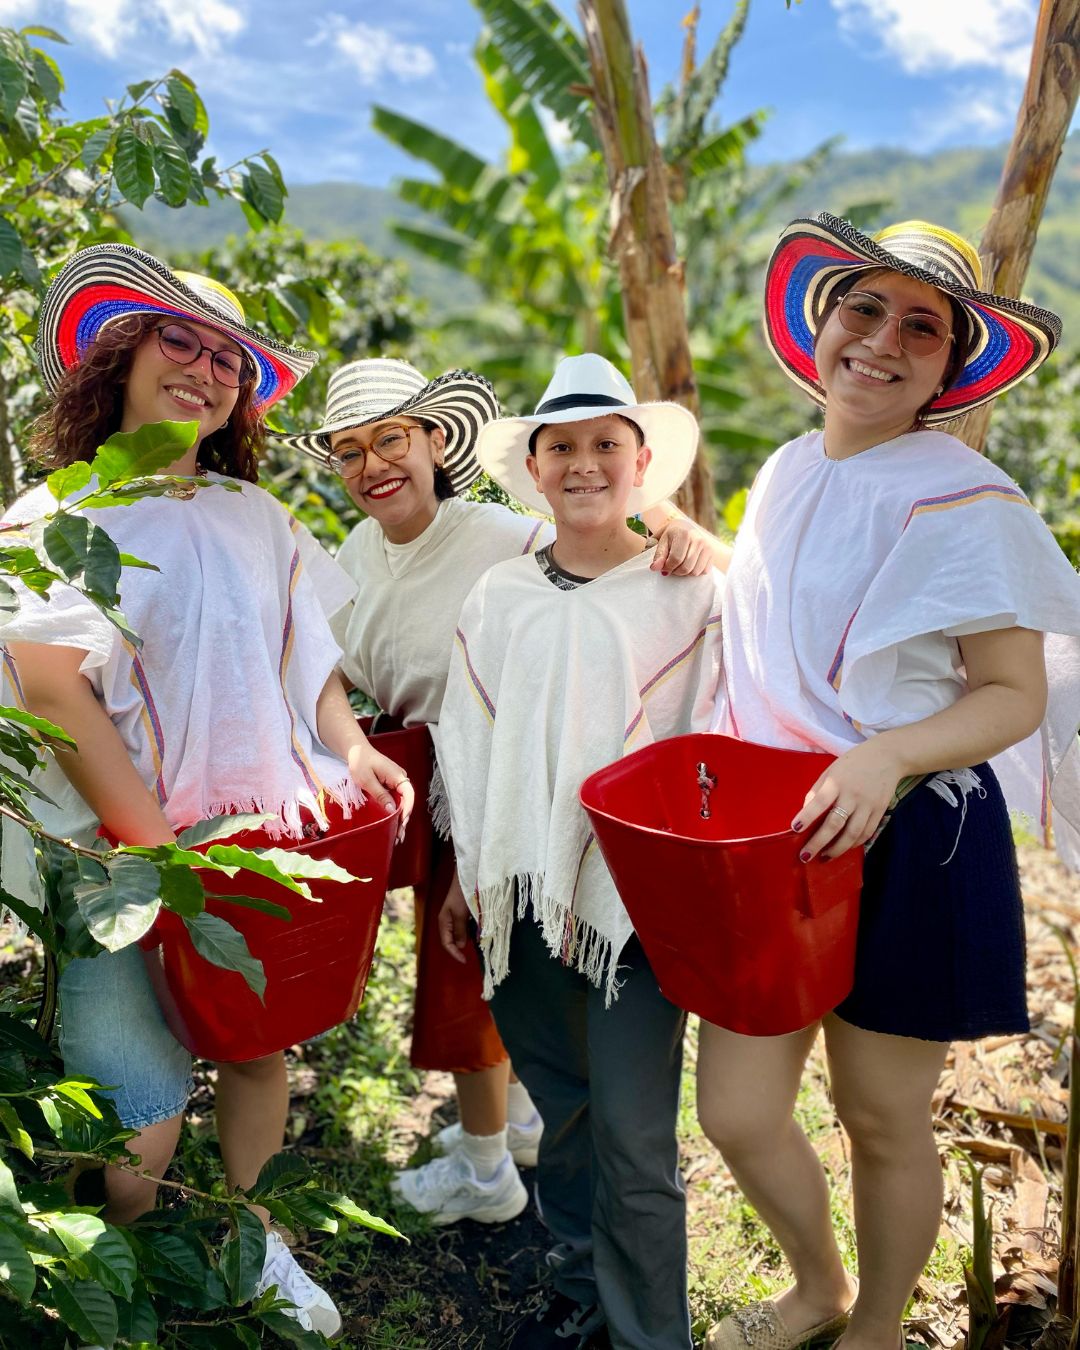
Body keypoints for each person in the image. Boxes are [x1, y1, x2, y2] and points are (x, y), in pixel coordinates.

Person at [1, 244, 414, 1338]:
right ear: (119, 360)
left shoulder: (252, 515)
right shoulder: (60, 512)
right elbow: (52, 692)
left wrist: (348, 743)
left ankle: (247, 1232)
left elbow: (306, 652)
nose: (205, 368)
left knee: (251, 1041)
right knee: (136, 1103)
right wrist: (155, 856)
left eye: (228, 357)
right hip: (114, 854)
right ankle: (131, 1263)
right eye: (177, 340)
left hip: (253, 835)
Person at [700, 215, 1080, 1350]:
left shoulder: (967, 498)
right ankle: (814, 1284)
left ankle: (870, 1325)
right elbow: (788, 623)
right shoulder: (782, 470)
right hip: (776, 827)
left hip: (915, 831)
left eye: (923, 325)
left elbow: (1012, 694)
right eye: (864, 308)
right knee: (736, 1110)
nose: (884, 340)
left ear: (950, 367)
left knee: (878, 1112)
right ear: (821, 325)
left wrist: (887, 753)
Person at [277, 356, 724, 1227]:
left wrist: (674, 522)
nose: (375, 466)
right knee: (484, 965)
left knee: (476, 971)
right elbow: (326, 660)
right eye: (351, 452)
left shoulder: (498, 537)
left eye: (392, 441)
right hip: (420, 767)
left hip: (522, 768)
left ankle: (488, 1164)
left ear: (435, 441)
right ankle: (517, 1123)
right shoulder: (358, 551)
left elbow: (596, 545)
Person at [435, 353, 725, 1350]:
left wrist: (698, 544)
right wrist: (475, 870)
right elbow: (468, 740)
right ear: (536, 468)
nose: (585, 463)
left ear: (641, 464)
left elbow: (716, 732)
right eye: (563, 446)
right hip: (517, 888)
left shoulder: (688, 596)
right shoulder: (500, 596)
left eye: (607, 444)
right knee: (559, 1110)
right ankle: (579, 1290)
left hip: (636, 903)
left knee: (637, 1140)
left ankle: (652, 1333)